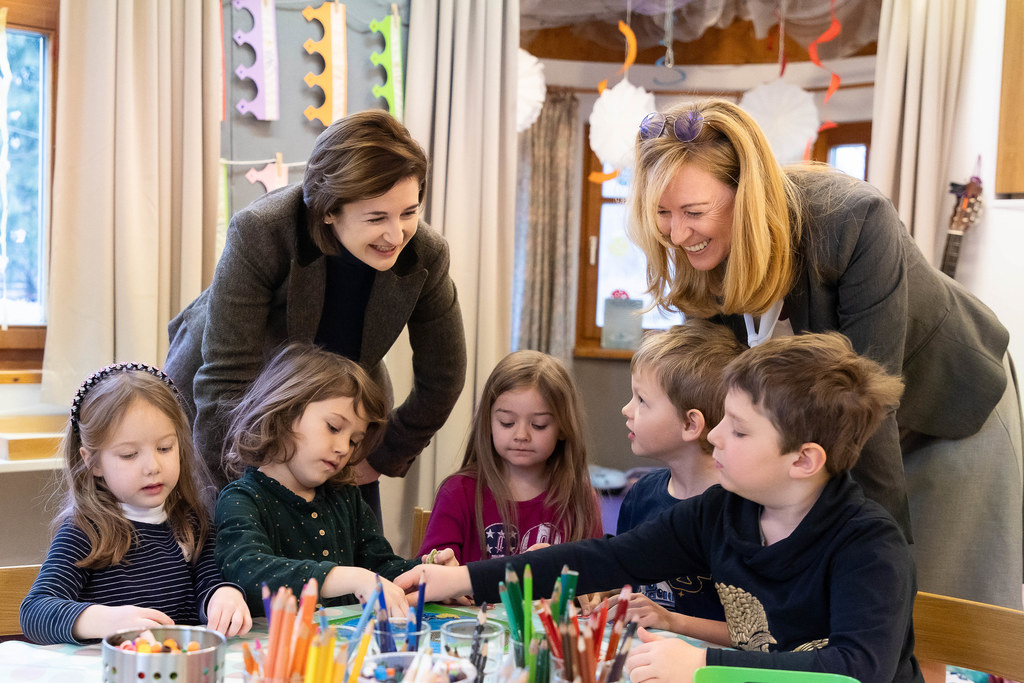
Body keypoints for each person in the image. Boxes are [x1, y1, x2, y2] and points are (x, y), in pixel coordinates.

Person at [625, 97, 1022, 609]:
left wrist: (878, 578)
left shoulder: (853, 220)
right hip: (830, 437)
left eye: (693, 213)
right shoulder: (701, 251)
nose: (677, 235)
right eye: (662, 215)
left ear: (744, 191)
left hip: (947, 409)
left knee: (935, 611)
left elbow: (871, 410)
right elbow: (715, 400)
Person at [398, 333, 920, 682]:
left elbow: (856, 669)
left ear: (804, 459)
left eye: (737, 430)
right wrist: (462, 578)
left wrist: (700, 664)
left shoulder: (868, 545)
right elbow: (602, 559)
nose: (715, 436)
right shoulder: (722, 511)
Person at [164, 109, 468, 525]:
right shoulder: (261, 231)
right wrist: (244, 495)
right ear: (327, 210)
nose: (396, 235)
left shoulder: (427, 253)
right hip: (233, 406)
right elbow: (224, 381)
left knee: (354, 557)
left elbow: (444, 375)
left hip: (338, 414)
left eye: (408, 213)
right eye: (376, 217)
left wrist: (383, 454)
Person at [214, 344, 455, 616]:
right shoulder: (241, 498)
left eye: (354, 441)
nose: (344, 448)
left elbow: (381, 566)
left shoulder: (347, 498)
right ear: (284, 413)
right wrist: (350, 577)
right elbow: (247, 568)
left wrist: (427, 575)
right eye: (333, 427)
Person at [20, 363, 251, 645]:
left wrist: (224, 594)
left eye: (165, 448)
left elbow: (209, 581)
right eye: (129, 454)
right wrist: (109, 620)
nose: (152, 466)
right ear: (92, 461)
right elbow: (34, 611)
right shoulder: (84, 531)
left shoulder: (192, 521)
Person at [614, 320, 745, 645]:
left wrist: (671, 621)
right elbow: (627, 581)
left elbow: (757, 637)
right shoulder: (641, 494)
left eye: (642, 400)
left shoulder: (743, 514)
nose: (626, 409)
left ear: (691, 423)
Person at [416, 350, 603, 563]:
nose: (521, 435)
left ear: (563, 427)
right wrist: (440, 565)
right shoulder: (458, 492)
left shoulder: (580, 497)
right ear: (488, 422)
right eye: (507, 422)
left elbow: (596, 576)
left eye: (539, 425)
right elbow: (429, 572)